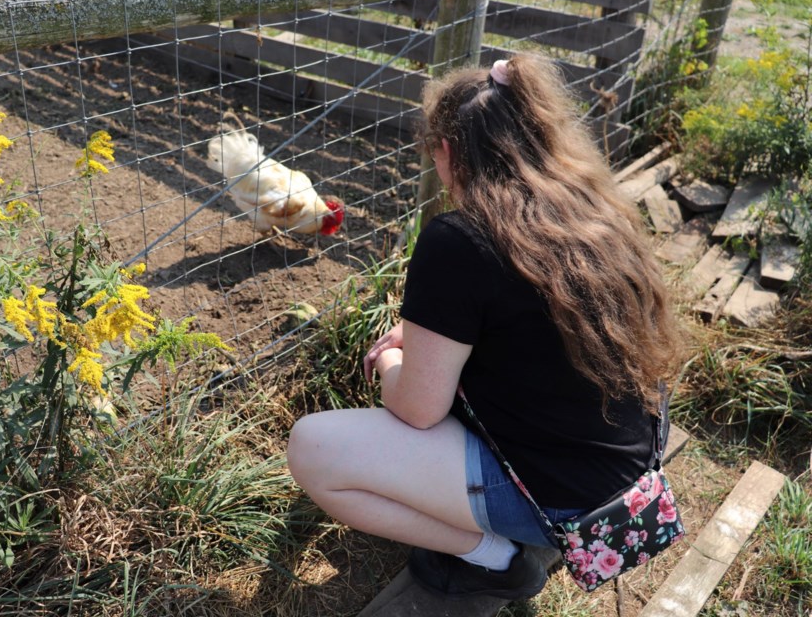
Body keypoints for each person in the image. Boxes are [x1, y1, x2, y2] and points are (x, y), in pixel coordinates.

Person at [286, 55, 680, 600]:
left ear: (446, 151)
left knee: (312, 448)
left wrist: (392, 362)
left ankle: (495, 558)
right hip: (627, 470)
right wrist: (426, 341)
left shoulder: (460, 239)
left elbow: (417, 409)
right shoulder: (590, 205)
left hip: (565, 502)